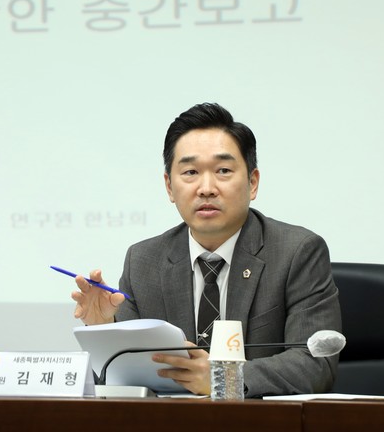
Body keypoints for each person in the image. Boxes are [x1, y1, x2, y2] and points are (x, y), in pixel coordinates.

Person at [71, 102, 341, 397]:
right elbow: (121, 380)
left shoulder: (297, 252)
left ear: (252, 183)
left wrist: (223, 378)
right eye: (190, 172)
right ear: (169, 187)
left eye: (223, 170)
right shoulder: (144, 261)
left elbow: (315, 364)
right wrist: (103, 329)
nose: (206, 188)